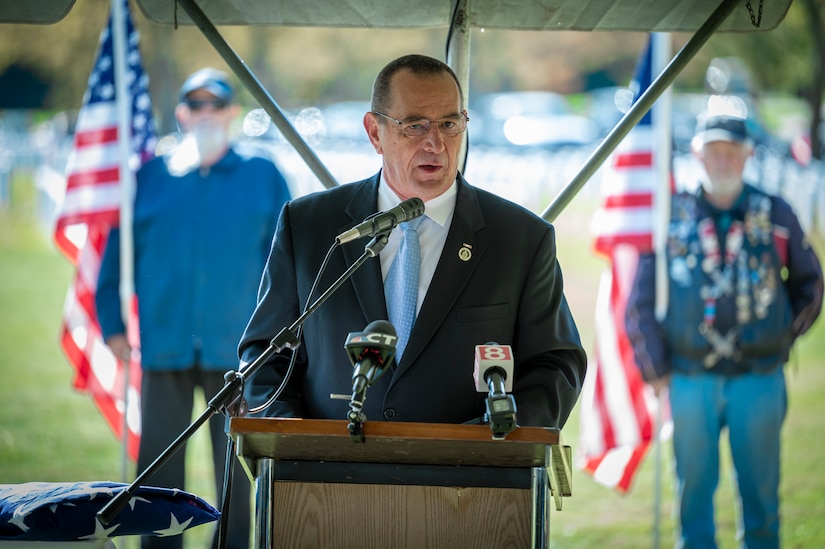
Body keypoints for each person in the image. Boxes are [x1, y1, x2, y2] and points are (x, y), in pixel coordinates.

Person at [239, 54, 587, 431]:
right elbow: (265, 357)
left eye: (450, 124)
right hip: (328, 479)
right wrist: (294, 443)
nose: (435, 143)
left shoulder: (521, 238)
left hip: (467, 483)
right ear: (375, 132)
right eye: (415, 125)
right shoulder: (309, 227)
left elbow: (555, 368)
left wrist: (483, 447)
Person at [96, 67, 292, 549]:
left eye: (216, 105)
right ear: (182, 113)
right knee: (157, 474)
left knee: (238, 471)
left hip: (241, 354)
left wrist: (283, 336)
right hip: (164, 344)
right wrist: (113, 323)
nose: (206, 114)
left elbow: (290, 263)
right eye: (196, 105)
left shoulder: (263, 176)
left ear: (231, 113)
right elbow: (117, 254)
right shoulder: (150, 177)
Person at [625, 114, 823, 548]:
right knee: (692, 502)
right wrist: (656, 370)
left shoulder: (775, 212)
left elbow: (811, 284)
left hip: (760, 380)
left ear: (748, 154)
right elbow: (638, 300)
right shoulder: (670, 214)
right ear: (697, 153)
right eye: (713, 150)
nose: (723, 159)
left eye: (732, 150)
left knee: (762, 504)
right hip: (689, 378)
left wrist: (780, 336)